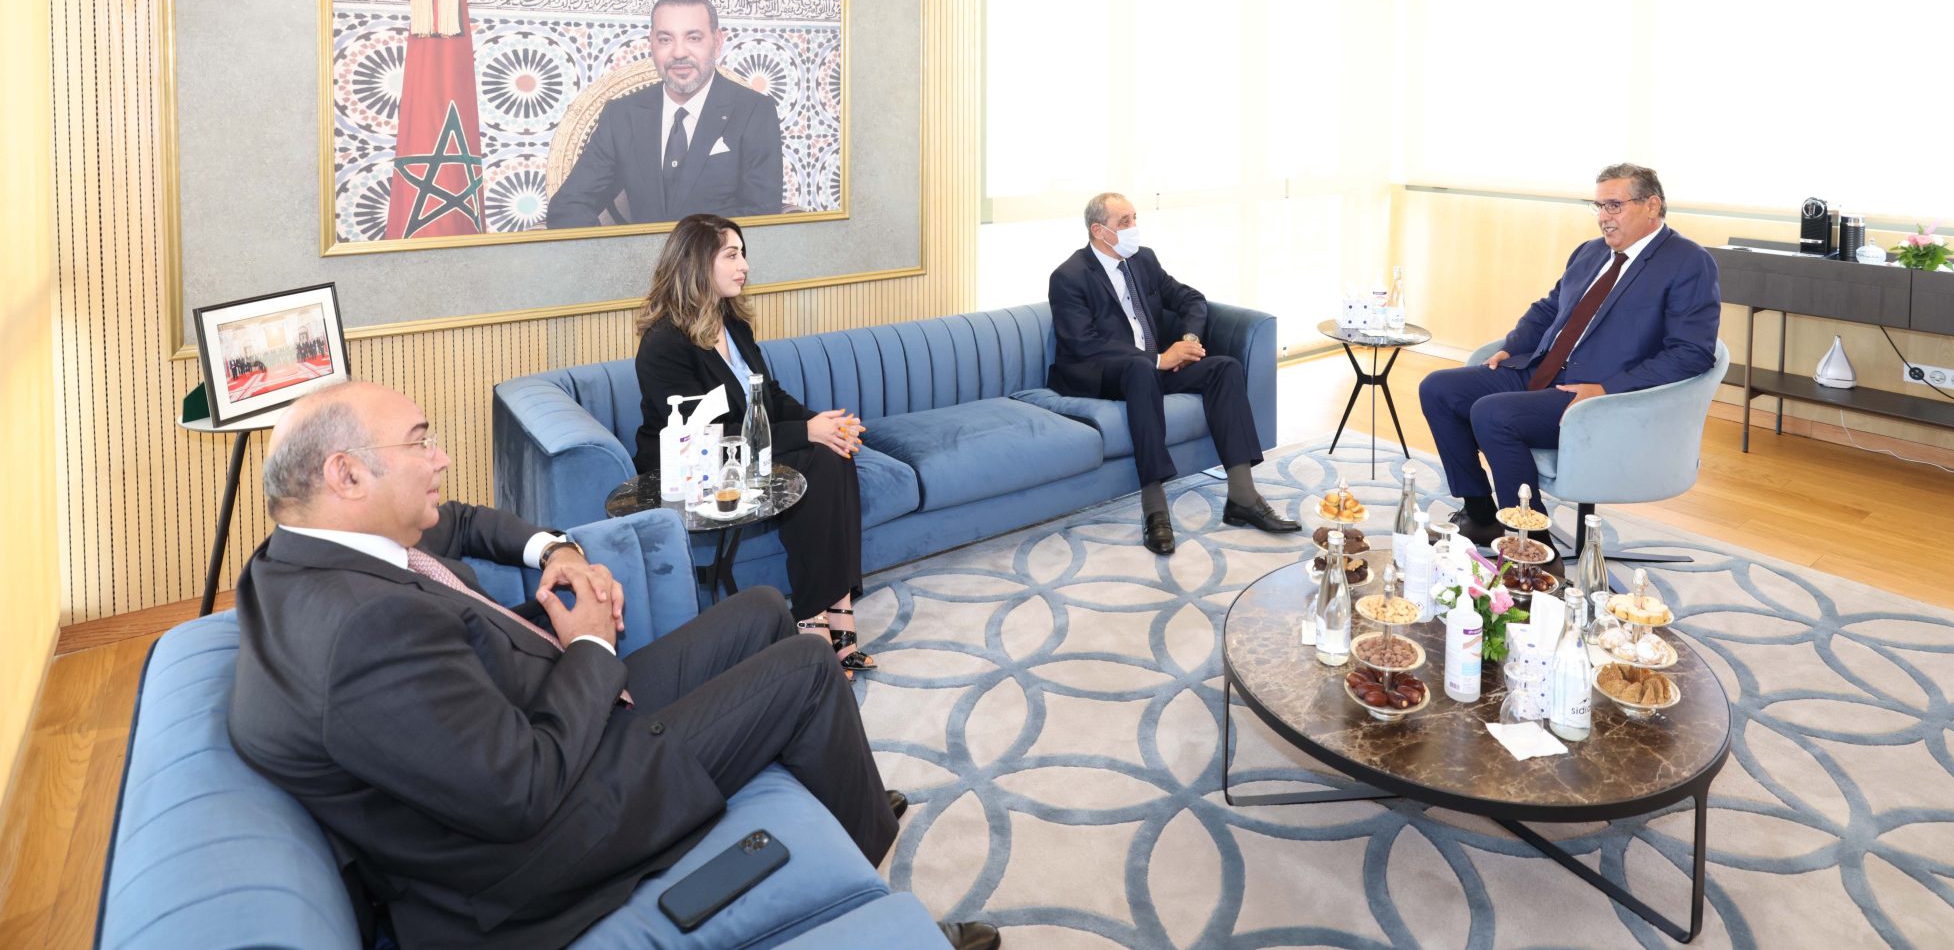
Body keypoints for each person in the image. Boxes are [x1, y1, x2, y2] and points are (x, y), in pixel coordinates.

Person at [227, 381, 999, 950]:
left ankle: (840, 783)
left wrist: (554, 550)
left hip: (555, 719)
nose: (443, 457)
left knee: (764, 606)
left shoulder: (310, 548)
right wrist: (591, 644)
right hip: (551, 832)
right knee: (806, 666)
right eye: (421, 442)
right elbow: (522, 791)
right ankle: (879, 914)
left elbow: (459, 522)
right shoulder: (361, 630)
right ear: (347, 474)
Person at [1417, 162, 1722, 548]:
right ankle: (1479, 514)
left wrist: (1606, 389)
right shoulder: (1591, 252)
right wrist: (1513, 345)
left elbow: (1692, 353)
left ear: (1652, 206)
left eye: (1614, 206)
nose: (1603, 217)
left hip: (1597, 394)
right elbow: (1549, 308)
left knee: (1493, 414)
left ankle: (1533, 545)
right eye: (1598, 206)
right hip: (1543, 369)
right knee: (1438, 388)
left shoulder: (1687, 262)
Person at [633, 213, 872, 672]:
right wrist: (806, 433)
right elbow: (711, 431)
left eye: (742, 254)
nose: (743, 265)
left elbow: (769, 396)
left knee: (835, 452)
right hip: (695, 464)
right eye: (731, 255)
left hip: (746, 451)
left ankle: (836, 609)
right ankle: (813, 620)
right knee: (818, 458)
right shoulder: (663, 343)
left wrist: (820, 422)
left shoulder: (732, 323)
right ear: (697, 262)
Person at [1047, 192, 1299, 555]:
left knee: (1225, 368)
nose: (1134, 227)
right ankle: (1154, 508)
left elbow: (1191, 299)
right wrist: (1159, 359)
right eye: (1124, 222)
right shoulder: (1069, 276)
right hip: (1101, 374)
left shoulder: (1143, 260)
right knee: (1140, 368)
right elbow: (1083, 344)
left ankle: (1243, 497)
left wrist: (1188, 341)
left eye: (1135, 218)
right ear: (1099, 231)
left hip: (1150, 370)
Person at [546, 0, 785, 228]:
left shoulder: (755, 111)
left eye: (693, 38)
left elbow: (762, 217)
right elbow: (568, 205)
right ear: (651, 43)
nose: (679, 52)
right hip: (639, 253)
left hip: (715, 252)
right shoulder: (621, 115)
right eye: (665, 39)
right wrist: (611, 250)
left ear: (717, 42)